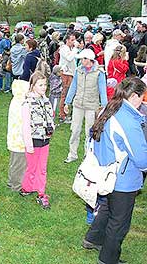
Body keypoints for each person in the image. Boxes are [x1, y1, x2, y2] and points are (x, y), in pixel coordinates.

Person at [82, 77, 147, 264]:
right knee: (119, 222)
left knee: (108, 208)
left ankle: (92, 239)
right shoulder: (128, 120)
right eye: (142, 97)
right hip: (122, 178)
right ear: (134, 96)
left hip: (105, 172)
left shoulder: (109, 108)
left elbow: (91, 138)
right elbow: (141, 157)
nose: (143, 101)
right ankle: (108, 259)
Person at [63, 48, 107, 163]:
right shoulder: (78, 71)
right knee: (75, 130)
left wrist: (104, 106)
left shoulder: (99, 73)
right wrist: (67, 102)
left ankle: (88, 155)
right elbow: (73, 87)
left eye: (83, 59)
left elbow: (103, 91)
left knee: (89, 132)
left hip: (92, 106)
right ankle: (72, 154)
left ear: (89, 59)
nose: (81, 61)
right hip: (78, 104)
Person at [20, 71, 55, 209]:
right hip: (33, 141)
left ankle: (41, 192)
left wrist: (51, 128)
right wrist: (28, 144)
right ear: (33, 86)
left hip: (45, 140)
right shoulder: (27, 103)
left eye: (45, 84)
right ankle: (27, 187)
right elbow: (25, 126)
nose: (43, 87)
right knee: (32, 167)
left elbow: (51, 117)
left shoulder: (46, 101)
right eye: (40, 85)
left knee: (42, 168)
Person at [7, 79, 29, 191]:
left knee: (14, 162)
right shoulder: (21, 104)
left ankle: (11, 181)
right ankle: (16, 185)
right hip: (19, 140)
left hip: (14, 139)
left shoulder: (16, 101)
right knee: (19, 164)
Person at [58, 33, 79, 123]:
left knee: (69, 95)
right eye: (72, 40)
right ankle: (62, 115)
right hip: (65, 74)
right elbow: (69, 58)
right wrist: (75, 48)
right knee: (64, 95)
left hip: (70, 73)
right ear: (67, 40)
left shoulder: (70, 49)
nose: (74, 42)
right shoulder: (64, 49)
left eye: (74, 40)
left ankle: (66, 113)